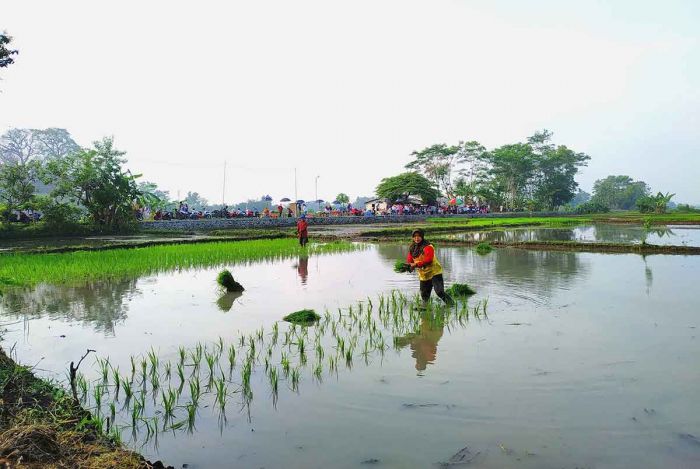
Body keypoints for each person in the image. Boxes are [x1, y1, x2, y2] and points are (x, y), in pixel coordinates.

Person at [407, 229, 454, 307]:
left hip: (434, 272)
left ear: (422, 236)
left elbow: (428, 260)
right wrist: (409, 266)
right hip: (424, 275)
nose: (416, 238)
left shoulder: (428, 247)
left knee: (439, 292)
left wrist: (415, 265)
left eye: (418, 236)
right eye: (415, 237)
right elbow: (410, 259)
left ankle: (451, 305)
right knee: (424, 296)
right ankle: (426, 309)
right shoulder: (412, 248)